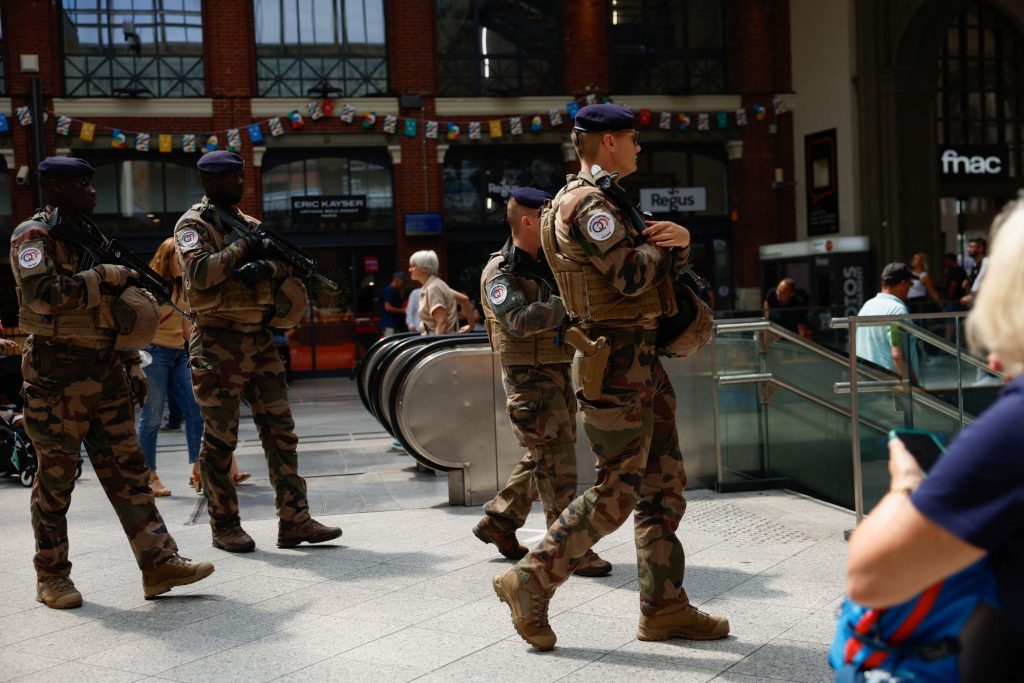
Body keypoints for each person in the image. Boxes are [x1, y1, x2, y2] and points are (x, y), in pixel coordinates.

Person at [493, 104, 729, 651]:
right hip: (616, 361)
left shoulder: (593, 198)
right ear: (605, 142)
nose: (639, 148)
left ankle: (665, 608)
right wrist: (674, 244)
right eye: (631, 138)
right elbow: (628, 276)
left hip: (636, 357)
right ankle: (529, 580)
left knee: (663, 487)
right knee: (618, 488)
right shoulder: (587, 202)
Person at [10, 156, 214, 608]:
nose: (93, 191)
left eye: (91, 182)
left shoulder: (90, 234)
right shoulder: (33, 236)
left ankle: (159, 563)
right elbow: (44, 297)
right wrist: (103, 275)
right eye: (82, 183)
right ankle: (52, 576)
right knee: (57, 478)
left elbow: (114, 310)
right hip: (56, 375)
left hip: (106, 370)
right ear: (56, 188)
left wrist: (131, 361)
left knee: (130, 472)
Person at [846, 201, 1024, 677]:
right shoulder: (900, 308)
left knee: (885, 447)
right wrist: (910, 381)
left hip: (868, 384)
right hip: (897, 383)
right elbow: (903, 348)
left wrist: (907, 484)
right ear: (902, 283)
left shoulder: (865, 306)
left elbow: (868, 578)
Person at [174, 150, 341, 553]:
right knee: (220, 438)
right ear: (209, 182)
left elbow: (288, 265)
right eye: (230, 177)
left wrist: (268, 268)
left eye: (240, 176)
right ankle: (225, 525)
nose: (239, 183)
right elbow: (200, 272)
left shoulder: (249, 223)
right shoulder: (193, 224)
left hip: (260, 339)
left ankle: (294, 519)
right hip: (217, 341)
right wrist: (243, 251)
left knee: (281, 431)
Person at [473, 187, 611, 578]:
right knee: (558, 465)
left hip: (556, 373)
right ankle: (569, 550)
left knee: (545, 456)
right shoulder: (500, 271)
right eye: (547, 216)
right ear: (530, 221)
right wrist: (570, 302)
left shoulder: (549, 264)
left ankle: (500, 521)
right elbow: (518, 320)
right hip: (529, 382)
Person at [135, 237, 202, 497]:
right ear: (167, 258)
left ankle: (198, 469)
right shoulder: (151, 286)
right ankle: (148, 475)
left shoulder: (184, 285)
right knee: (151, 417)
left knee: (196, 410)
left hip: (176, 355)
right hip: (154, 354)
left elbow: (185, 325)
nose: (185, 263)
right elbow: (139, 323)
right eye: (180, 257)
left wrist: (197, 354)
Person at [854, 263, 916, 377]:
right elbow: (897, 354)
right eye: (910, 284)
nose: (909, 288)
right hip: (891, 386)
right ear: (903, 283)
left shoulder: (867, 306)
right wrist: (912, 385)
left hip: (867, 380)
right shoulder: (897, 310)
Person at [408, 250, 475, 335]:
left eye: (413, 266)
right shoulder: (437, 285)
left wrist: (435, 346)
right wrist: (471, 326)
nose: (409, 269)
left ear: (425, 269)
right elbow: (464, 299)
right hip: (443, 342)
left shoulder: (433, 288)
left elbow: (442, 322)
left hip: (438, 343)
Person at [960, 236, 988, 308]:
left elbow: (980, 279)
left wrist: (971, 296)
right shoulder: (975, 264)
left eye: (972, 247)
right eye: (969, 247)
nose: (968, 249)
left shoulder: (986, 262)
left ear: (980, 249)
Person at [379, 271, 407, 337]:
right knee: (390, 344)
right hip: (389, 325)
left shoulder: (396, 291)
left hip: (396, 325)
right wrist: (403, 310)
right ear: (397, 280)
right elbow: (387, 307)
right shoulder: (389, 290)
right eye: (403, 281)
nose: (404, 284)